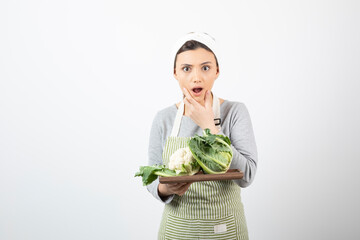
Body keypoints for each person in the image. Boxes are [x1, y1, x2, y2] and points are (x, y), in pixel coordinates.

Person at [146, 32, 258, 240]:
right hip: (176, 232)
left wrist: (210, 126)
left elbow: (248, 175)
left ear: (217, 71)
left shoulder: (235, 112)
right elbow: (151, 178)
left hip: (225, 231)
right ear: (175, 73)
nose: (196, 77)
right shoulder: (163, 119)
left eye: (205, 67)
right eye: (186, 69)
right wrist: (165, 187)